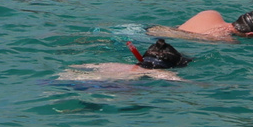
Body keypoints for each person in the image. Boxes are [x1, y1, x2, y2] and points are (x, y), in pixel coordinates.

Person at [58, 41, 190, 82]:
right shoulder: (161, 74)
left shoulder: (113, 65)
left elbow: (75, 67)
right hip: (108, 88)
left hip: (72, 79)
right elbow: (189, 84)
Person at [147, 9, 253, 40]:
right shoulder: (226, 40)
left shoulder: (212, 13)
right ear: (250, 35)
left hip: (151, 29)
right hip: (150, 39)